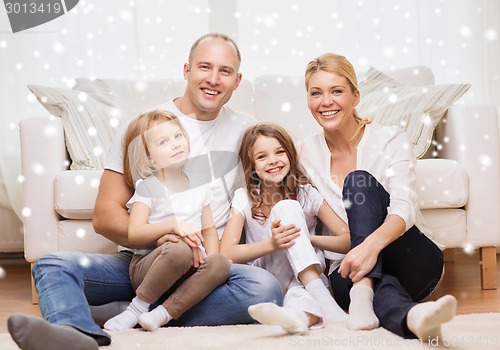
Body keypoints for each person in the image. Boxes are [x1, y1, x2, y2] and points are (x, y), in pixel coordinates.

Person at [8, 33, 282, 350]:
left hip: (205, 268)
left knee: (264, 289)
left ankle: (133, 313)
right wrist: (160, 235)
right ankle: (77, 334)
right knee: (51, 265)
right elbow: (105, 215)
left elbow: (273, 179)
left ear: (237, 80)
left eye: (224, 71)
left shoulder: (247, 129)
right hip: (147, 260)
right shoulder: (145, 128)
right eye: (204, 67)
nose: (213, 79)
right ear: (186, 70)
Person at [294, 52, 457, 341]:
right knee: (377, 290)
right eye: (316, 93)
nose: (325, 101)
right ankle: (414, 318)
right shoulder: (303, 153)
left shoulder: (391, 138)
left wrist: (369, 246)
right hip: (347, 273)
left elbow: (404, 208)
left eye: (337, 91)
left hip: (411, 259)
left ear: (355, 96)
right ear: (308, 101)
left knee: (359, 183)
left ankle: (364, 288)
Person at [103, 110, 231, 332]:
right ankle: (136, 309)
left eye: (178, 136)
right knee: (179, 249)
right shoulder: (148, 186)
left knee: (220, 263)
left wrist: (209, 257)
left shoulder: (200, 184)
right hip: (150, 268)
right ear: (149, 156)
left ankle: (162, 314)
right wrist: (173, 226)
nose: (175, 144)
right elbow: (135, 233)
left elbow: (209, 230)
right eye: (163, 142)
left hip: (190, 265)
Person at [220, 122, 350, 335]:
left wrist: (307, 239)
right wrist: (272, 243)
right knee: (287, 207)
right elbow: (227, 252)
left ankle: (297, 318)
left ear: (290, 155)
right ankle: (323, 297)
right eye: (262, 156)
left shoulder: (306, 192)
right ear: (251, 164)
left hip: (302, 283)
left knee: (304, 303)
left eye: (279, 152)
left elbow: (347, 239)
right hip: (267, 277)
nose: (273, 161)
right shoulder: (243, 199)